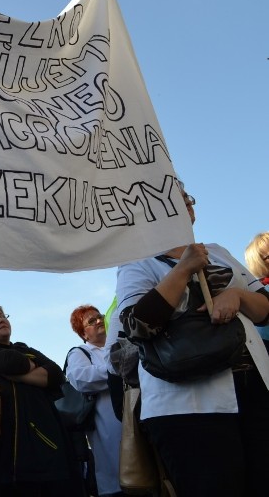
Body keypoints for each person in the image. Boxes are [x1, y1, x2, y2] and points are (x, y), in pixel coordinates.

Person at [115, 184, 269, 496]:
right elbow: (137, 326)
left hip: (254, 389)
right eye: (176, 199)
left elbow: (264, 309)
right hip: (189, 407)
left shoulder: (219, 252)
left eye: (187, 198)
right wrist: (184, 268)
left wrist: (237, 295)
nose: (186, 204)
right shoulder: (138, 263)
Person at [0, 304, 82, 496]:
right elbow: (16, 362)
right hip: (4, 449)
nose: (1, 319)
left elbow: (55, 373)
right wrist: (31, 365)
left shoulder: (22, 348)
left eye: (3, 315)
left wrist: (18, 376)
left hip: (44, 444)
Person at [65, 305, 123, 497]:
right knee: (119, 475)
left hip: (133, 417)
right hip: (106, 425)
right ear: (84, 334)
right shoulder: (80, 353)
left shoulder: (119, 344)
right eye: (91, 321)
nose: (99, 321)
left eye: (100, 317)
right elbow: (80, 378)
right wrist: (119, 368)